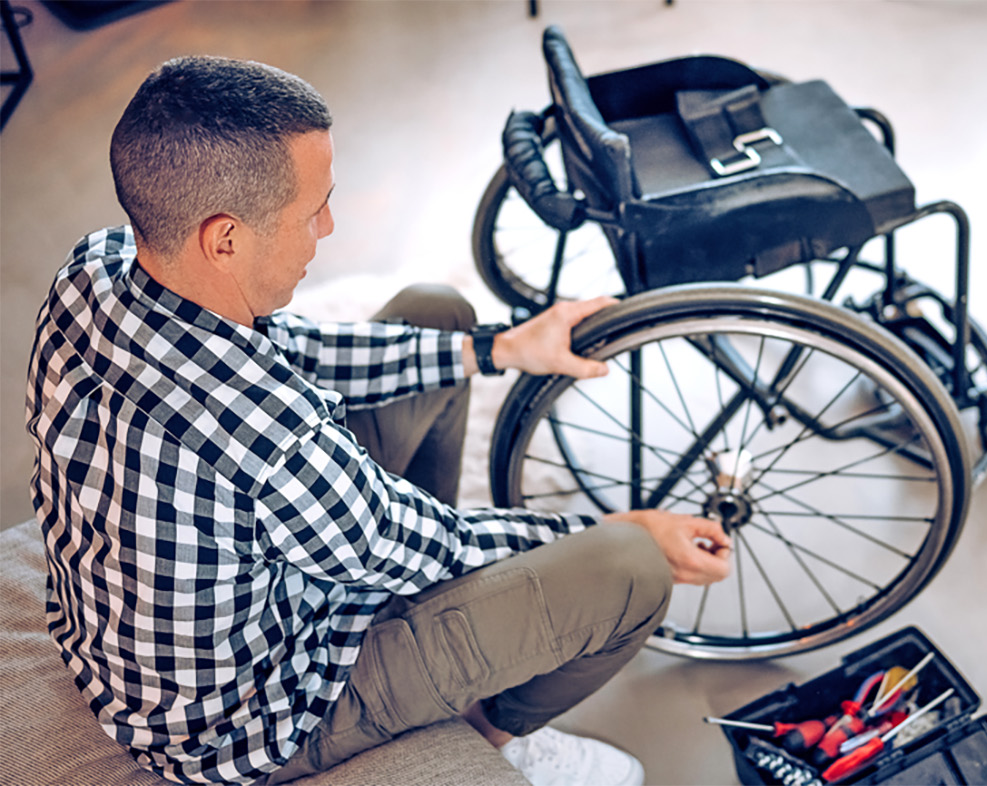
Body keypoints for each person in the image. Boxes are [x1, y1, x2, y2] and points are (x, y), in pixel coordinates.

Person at [25, 55, 733, 786]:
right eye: (311, 212)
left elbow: (293, 350)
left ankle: (440, 619)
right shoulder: (272, 439)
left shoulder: (96, 269)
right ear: (224, 238)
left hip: (139, 649)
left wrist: (495, 348)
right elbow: (418, 541)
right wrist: (621, 531)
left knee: (438, 311)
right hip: (251, 721)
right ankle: (494, 732)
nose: (329, 227)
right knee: (630, 573)